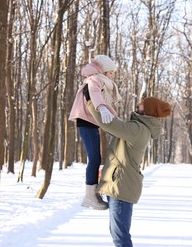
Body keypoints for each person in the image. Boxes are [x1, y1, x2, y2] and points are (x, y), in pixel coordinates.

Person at [86, 96, 171, 247]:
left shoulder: (138, 130)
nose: (138, 104)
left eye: (142, 104)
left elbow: (110, 124)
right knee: (117, 233)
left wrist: (91, 101)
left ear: (148, 110)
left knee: (120, 237)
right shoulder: (137, 127)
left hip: (122, 187)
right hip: (120, 185)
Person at [69, 55, 121, 210]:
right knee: (94, 158)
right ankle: (90, 196)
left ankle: (92, 194)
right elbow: (94, 93)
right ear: (104, 71)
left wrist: (118, 121)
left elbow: (103, 101)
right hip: (86, 121)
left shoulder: (99, 80)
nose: (112, 76)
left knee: (96, 158)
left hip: (90, 122)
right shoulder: (94, 80)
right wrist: (101, 108)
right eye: (111, 72)